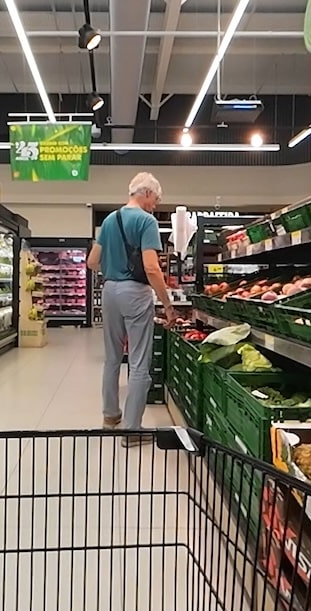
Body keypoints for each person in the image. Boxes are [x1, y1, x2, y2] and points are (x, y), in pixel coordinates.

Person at [88, 172, 177, 446]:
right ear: (147, 193)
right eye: (156, 200)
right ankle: (132, 430)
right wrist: (167, 304)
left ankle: (110, 416)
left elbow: (92, 262)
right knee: (139, 362)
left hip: (110, 290)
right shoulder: (146, 221)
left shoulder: (109, 220)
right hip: (135, 292)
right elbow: (151, 267)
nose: (156, 206)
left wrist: (115, 270)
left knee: (112, 358)